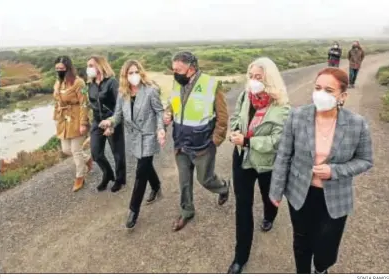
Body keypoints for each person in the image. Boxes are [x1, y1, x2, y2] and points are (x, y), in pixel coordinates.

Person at [269, 67, 373, 274]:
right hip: (300, 192)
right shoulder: (297, 116)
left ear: (342, 96)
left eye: (328, 90)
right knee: (301, 241)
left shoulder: (357, 124)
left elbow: (365, 160)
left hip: (335, 197)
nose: (321, 94)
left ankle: (321, 269)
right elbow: (283, 155)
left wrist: (335, 171)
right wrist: (275, 191)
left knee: (326, 248)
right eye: (317, 88)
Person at [227, 57, 291, 274]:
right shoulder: (246, 95)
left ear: (269, 79)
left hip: (265, 163)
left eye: (259, 77)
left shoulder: (281, 107)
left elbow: (276, 141)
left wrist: (247, 140)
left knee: (267, 196)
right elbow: (237, 116)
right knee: (242, 207)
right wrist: (235, 131)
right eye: (251, 76)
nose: (253, 81)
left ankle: (270, 215)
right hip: (242, 158)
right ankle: (240, 256)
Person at [163, 51, 230, 232]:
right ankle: (187, 211)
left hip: (203, 145)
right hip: (181, 143)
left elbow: (222, 116)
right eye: (173, 69)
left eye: (178, 69)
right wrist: (169, 113)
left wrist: (215, 141)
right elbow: (174, 103)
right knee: (184, 181)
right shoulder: (177, 82)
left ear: (191, 69)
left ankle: (223, 188)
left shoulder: (210, 84)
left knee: (205, 179)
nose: (174, 73)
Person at [99, 60, 166, 229]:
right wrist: (109, 122)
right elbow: (118, 115)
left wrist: (160, 129)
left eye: (136, 72)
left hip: (149, 135)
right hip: (135, 137)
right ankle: (157, 186)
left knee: (140, 171)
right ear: (125, 76)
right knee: (145, 164)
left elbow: (159, 112)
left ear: (141, 73)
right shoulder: (123, 94)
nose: (134, 75)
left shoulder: (150, 91)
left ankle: (133, 210)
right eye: (130, 73)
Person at [87, 55, 126, 192]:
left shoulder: (112, 82)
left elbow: (119, 105)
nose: (89, 69)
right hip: (97, 121)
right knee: (96, 153)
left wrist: (112, 124)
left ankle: (120, 179)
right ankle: (108, 173)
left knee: (118, 153)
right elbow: (92, 104)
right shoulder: (90, 84)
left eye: (91, 65)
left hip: (111, 119)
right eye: (88, 66)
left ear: (100, 66)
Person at [53, 55, 92, 192]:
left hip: (77, 118)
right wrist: (56, 117)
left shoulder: (79, 83)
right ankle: (87, 159)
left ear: (68, 68)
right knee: (66, 149)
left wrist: (83, 123)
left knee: (76, 150)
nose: (59, 70)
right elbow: (57, 101)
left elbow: (84, 103)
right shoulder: (58, 83)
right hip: (64, 120)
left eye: (62, 68)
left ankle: (80, 177)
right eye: (57, 68)